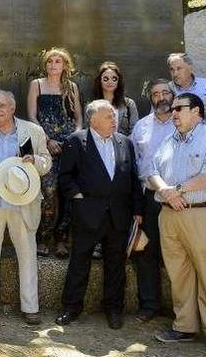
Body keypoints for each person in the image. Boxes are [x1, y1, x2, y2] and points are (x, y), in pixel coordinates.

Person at [148, 92, 206, 353]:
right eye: (172, 109)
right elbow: (151, 172)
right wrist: (166, 192)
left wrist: (177, 190)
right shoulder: (167, 141)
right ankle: (184, 326)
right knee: (179, 273)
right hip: (169, 214)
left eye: (179, 108)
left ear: (196, 111)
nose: (173, 113)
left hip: (204, 214)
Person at [54, 100, 142, 330]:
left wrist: (137, 210)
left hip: (118, 215)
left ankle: (114, 309)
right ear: (93, 119)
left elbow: (133, 177)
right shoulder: (76, 141)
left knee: (116, 264)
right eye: (109, 116)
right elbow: (65, 176)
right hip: (87, 214)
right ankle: (71, 308)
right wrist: (77, 197)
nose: (114, 120)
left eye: (114, 116)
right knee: (79, 262)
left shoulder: (125, 142)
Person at [0, 90, 50, 324]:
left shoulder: (33, 131)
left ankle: (31, 307)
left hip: (23, 203)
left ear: (12, 108)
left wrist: (35, 162)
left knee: (27, 255)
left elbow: (46, 162)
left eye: (2, 106)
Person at [27, 47, 82, 259]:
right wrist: (46, 140)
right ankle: (43, 238)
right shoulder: (36, 85)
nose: (53, 65)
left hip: (68, 148)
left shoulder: (72, 87)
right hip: (45, 147)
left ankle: (61, 240)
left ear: (64, 65)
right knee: (48, 193)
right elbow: (32, 116)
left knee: (67, 193)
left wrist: (72, 141)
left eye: (58, 61)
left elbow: (78, 120)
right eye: (50, 61)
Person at [128, 78, 175, 322]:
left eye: (165, 92)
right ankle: (149, 305)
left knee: (178, 252)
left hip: (179, 197)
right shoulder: (142, 126)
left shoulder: (183, 123)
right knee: (147, 252)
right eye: (156, 94)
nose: (161, 98)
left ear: (173, 96)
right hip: (149, 197)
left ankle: (182, 309)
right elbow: (135, 166)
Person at [93, 61, 139, 136]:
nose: (110, 82)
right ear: (100, 81)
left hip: (123, 145)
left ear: (118, 81)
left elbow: (135, 131)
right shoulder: (92, 106)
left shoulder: (129, 104)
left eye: (114, 79)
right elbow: (88, 132)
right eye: (105, 79)